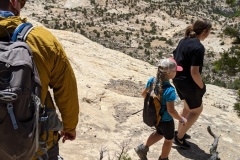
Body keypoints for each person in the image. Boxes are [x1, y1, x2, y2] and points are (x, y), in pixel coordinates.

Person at [0, 0, 80, 159]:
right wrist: (70, 127)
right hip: (35, 146)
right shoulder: (40, 39)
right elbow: (66, 89)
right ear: (14, 2)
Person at [135, 58, 187, 160]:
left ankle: (142, 148)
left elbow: (144, 93)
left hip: (155, 117)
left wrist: (154, 105)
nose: (176, 72)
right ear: (170, 73)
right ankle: (163, 158)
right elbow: (171, 110)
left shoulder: (152, 81)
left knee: (160, 133)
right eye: (175, 71)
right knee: (169, 139)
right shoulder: (170, 90)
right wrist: (181, 119)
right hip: (166, 120)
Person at [172, 19, 212, 149]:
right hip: (188, 82)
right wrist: (202, 86)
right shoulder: (198, 47)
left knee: (187, 108)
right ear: (205, 31)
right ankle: (179, 138)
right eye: (209, 32)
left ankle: (179, 132)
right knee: (196, 110)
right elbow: (194, 72)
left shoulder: (183, 40)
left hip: (177, 78)